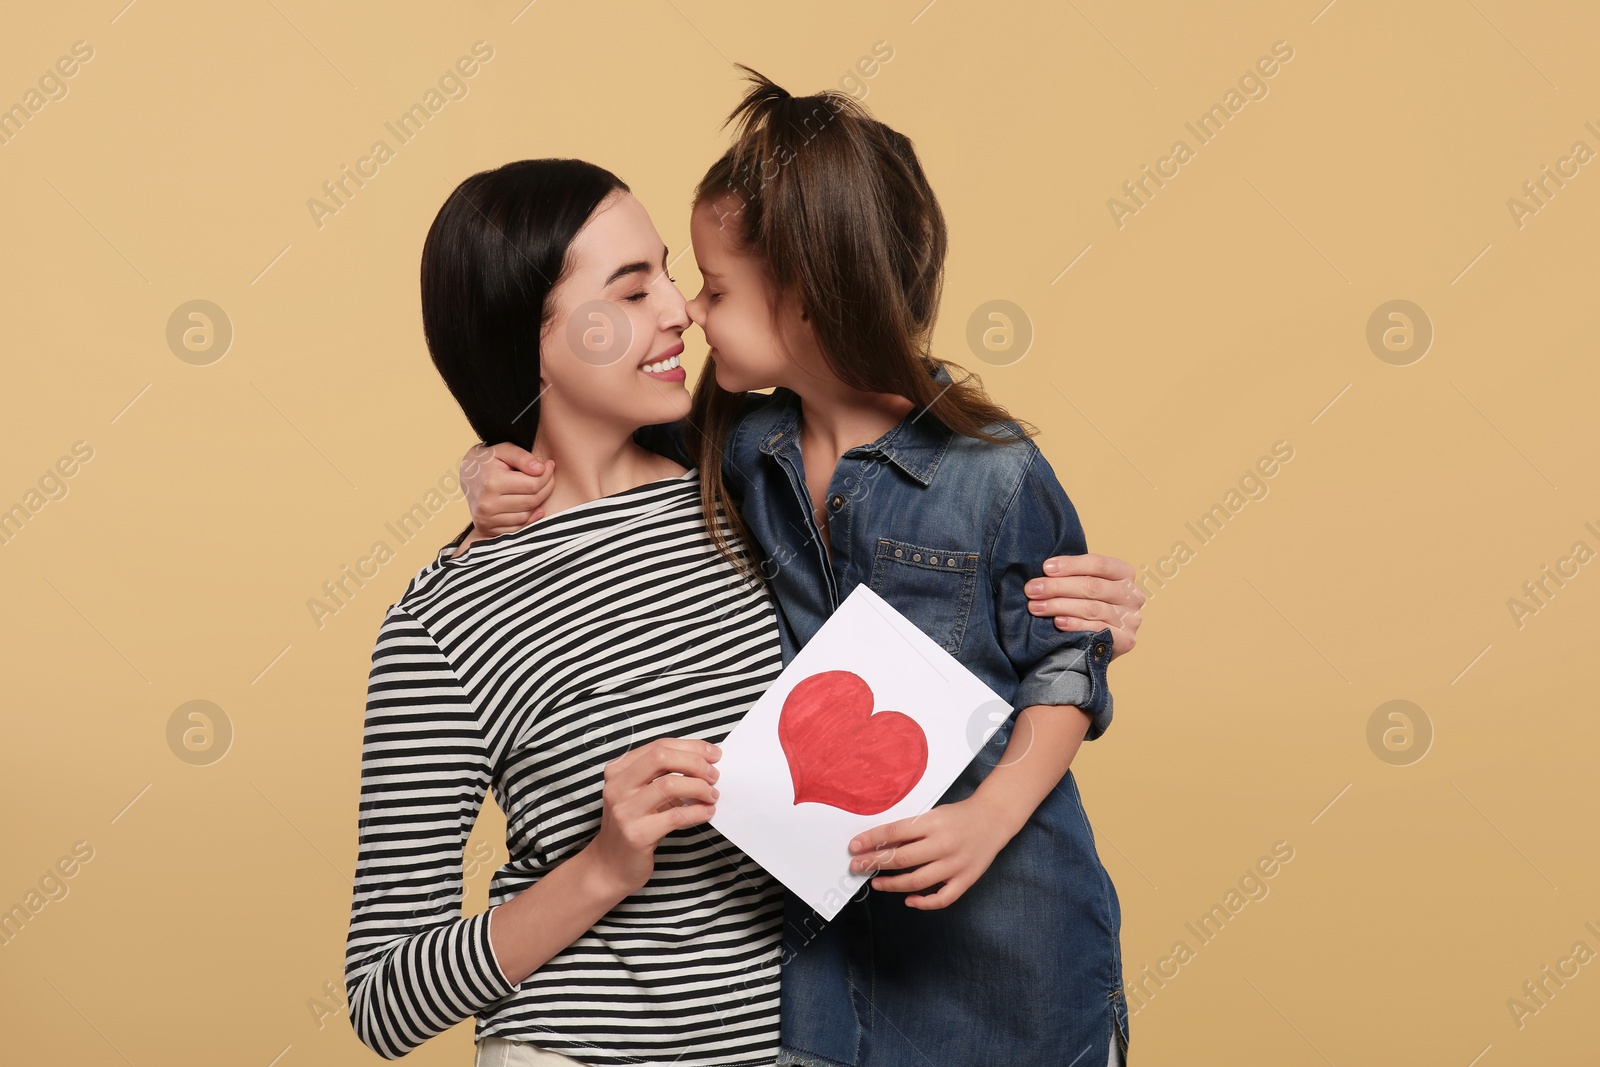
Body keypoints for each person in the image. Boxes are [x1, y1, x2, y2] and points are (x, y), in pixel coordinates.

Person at [458, 70, 1138, 1067]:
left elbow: (1066, 663)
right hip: (826, 979)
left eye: (714, 287)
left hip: (1011, 962)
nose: (687, 311)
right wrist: (481, 466)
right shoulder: (735, 443)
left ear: (810, 299)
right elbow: (582, 449)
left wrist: (988, 817)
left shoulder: (992, 472)